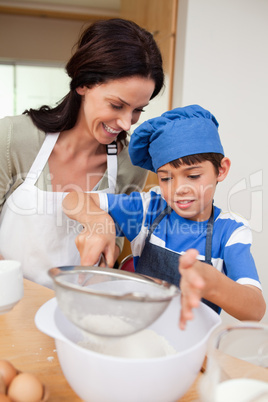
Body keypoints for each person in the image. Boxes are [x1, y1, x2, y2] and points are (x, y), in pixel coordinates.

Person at [63, 105, 266, 327]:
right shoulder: (149, 209)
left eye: (193, 175)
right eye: (166, 178)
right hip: (137, 330)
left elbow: (255, 310)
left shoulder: (230, 231)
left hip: (192, 346)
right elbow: (73, 198)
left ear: (221, 170)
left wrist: (214, 283)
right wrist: (98, 221)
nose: (179, 188)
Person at [0, 18, 164, 288]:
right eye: (116, 105)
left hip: (77, 314)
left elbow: (112, 247)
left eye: (137, 110)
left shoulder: (131, 164)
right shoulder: (12, 140)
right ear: (83, 84)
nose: (126, 123)